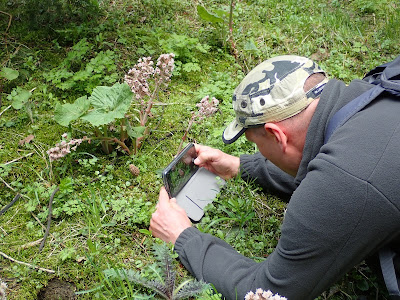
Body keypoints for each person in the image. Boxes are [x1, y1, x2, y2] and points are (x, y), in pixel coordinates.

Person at [149, 55, 400, 300]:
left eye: (255, 144)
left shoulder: (350, 181)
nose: (258, 151)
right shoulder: (378, 90)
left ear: (276, 135)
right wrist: (239, 166)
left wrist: (182, 236)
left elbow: (267, 292)